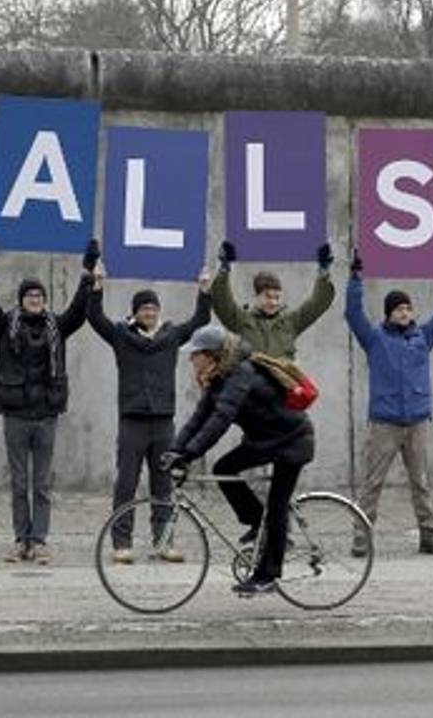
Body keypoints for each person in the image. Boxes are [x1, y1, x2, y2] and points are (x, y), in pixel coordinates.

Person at [162, 325, 314, 596]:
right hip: (265, 441)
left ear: (210, 355)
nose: (190, 359)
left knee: (277, 508)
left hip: (292, 441)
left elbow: (221, 419)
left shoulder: (240, 374)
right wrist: (176, 450)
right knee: (224, 468)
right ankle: (258, 522)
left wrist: (190, 455)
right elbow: (200, 418)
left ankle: (268, 575)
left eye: (194, 354)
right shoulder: (218, 376)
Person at [0, 231, 96, 565]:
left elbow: (79, 311)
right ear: (21, 299)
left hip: (46, 415)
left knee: (41, 484)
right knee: (18, 483)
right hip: (15, 414)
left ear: (44, 300)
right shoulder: (5, 325)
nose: (34, 299)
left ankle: (39, 541)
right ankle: (20, 540)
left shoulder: (58, 326)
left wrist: (87, 272)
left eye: (39, 295)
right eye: (29, 295)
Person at [88, 261, 212, 564]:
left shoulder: (170, 336)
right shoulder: (121, 335)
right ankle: (121, 543)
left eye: (153, 309)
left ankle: (164, 541)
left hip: (163, 422)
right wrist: (97, 285)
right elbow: (95, 317)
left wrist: (205, 291)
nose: (149, 313)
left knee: (163, 485)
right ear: (135, 312)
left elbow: (199, 320)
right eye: (144, 309)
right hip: (132, 421)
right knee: (126, 484)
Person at [345, 250, 433, 557]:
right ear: (389, 313)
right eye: (399, 309)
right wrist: (355, 278)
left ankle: (429, 535)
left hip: (417, 421)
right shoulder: (375, 339)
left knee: (420, 482)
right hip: (385, 422)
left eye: (408, 308)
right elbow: (353, 314)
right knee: (373, 483)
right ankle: (362, 537)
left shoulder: (423, 337)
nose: (405, 313)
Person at [211, 240, 335, 358]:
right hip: (250, 380)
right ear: (256, 296)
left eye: (277, 297)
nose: (273, 302)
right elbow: (222, 302)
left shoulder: (291, 322)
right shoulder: (241, 320)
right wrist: (224, 268)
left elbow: (317, 304)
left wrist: (324, 270)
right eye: (268, 296)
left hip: (282, 380)